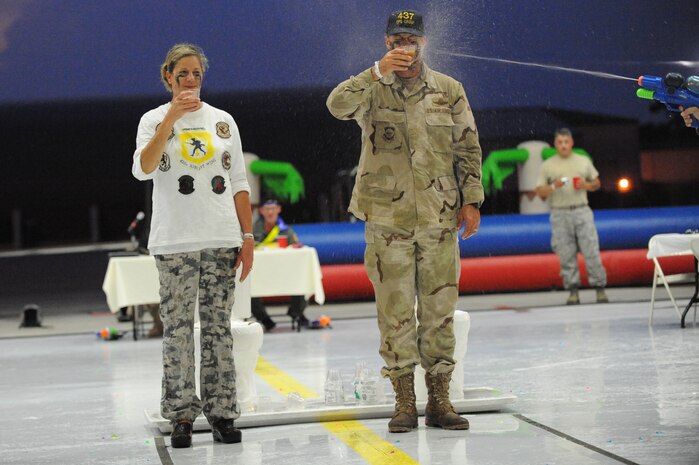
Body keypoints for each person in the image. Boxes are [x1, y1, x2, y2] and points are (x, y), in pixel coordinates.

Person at [327, 10, 483, 433]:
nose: (404, 46)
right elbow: (336, 105)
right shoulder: (371, 88)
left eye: (410, 39)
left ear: (423, 43)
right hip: (386, 220)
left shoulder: (448, 90)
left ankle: (440, 401)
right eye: (396, 39)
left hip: (438, 216)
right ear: (386, 43)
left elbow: (468, 147)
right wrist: (375, 72)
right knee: (394, 311)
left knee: (439, 310)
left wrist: (471, 200)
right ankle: (403, 402)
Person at [132, 43, 253, 448]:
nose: (190, 80)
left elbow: (238, 181)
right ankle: (181, 415)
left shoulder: (223, 121)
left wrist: (248, 236)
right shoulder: (152, 120)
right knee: (177, 331)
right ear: (168, 76)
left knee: (219, 329)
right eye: (182, 73)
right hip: (174, 241)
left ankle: (222, 413)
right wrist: (171, 117)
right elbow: (144, 168)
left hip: (221, 238)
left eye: (196, 73)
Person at [535, 128, 609, 305]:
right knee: (566, 253)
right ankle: (573, 290)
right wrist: (554, 186)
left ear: (571, 143)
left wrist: (586, 185)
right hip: (560, 212)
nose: (563, 146)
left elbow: (597, 182)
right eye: (560, 142)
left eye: (566, 142)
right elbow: (540, 192)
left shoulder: (583, 161)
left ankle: (600, 288)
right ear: (555, 144)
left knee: (591, 249)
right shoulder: (548, 165)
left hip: (581, 209)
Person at [250, 198, 309, 331]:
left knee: (302, 280)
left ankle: (296, 312)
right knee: (249, 288)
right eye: (267, 209)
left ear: (279, 210)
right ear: (261, 211)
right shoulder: (252, 230)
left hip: (283, 271)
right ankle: (264, 318)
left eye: (273, 208)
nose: (270, 212)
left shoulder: (286, 231)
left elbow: (294, 246)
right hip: (260, 272)